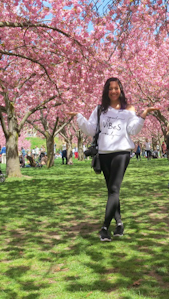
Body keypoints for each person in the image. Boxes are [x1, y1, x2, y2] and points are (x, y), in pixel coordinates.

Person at [67, 77, 158, 242]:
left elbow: (132, 130)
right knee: (111, 191)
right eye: (110, 88)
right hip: (104, 152)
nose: (113, 91)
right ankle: (120, 224)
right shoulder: (100, 109)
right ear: (106, 91)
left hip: (121, 152)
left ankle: (104, 228)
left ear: (121, 90)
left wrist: (143, 115)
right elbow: (91, 129)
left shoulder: (128, 109)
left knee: (114, 189)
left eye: (116, 88)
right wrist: (79, 117)